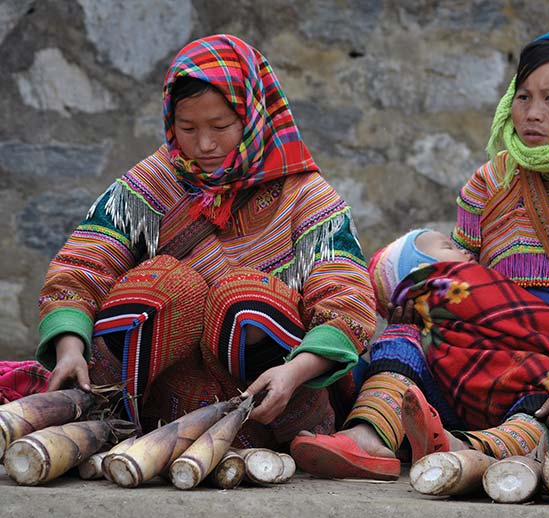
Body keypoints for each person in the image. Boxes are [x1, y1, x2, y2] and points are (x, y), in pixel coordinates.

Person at [291, 21, 549, 479]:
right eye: (523, 96)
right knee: (406, 335)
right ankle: (368, 439)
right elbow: (460, 286)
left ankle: (465, 449)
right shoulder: (493, 183)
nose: (531, 113)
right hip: (483, 362)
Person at [36, 34, 376, 447]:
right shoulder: (153, 183)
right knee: (163, 282)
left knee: (244, 298)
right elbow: (83, 264)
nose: (204, 145)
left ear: (253, 116)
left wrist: (294, 372)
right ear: (170, 121)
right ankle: (116, 417)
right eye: (187, 128)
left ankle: (264, 432)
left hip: (270, 398)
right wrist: (70, 348)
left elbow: (347, 303)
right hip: (162, 407)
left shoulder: (305, 196)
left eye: (220, 126)